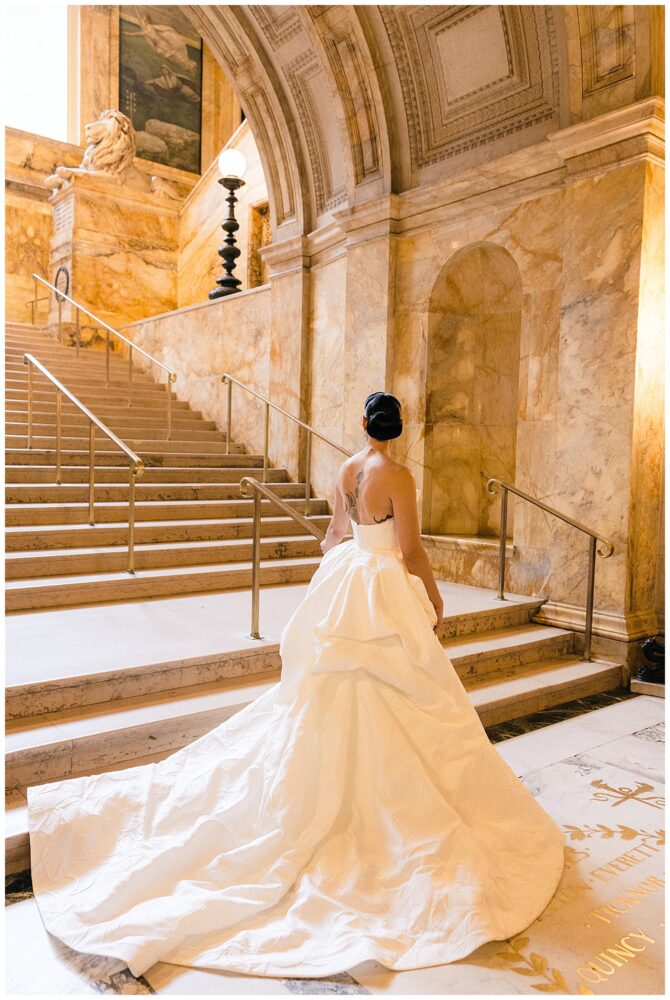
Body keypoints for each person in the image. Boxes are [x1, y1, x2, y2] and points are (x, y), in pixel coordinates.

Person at [26, 391, 566, 981]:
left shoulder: (347, 469)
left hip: (349, 577)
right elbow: (410, 550)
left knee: (329, 691)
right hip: (381, 586)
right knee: (392, 688)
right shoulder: (400, 477)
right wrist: (433, 600)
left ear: (364, 424)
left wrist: (334, 582)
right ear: (399, 429)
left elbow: (335, 533)